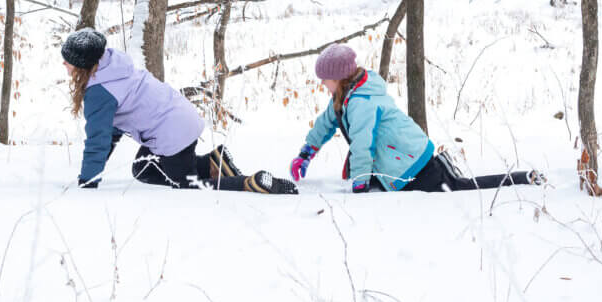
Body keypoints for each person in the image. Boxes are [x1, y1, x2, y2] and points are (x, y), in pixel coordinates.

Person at [62, 29, 297, 194]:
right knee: (144, 169)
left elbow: (97, 140)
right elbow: (111, 131)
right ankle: (216, 162)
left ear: (83, 64)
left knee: (187, 183)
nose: (64, 64)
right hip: (177, 118)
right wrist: (94, 173)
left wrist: (87, 182)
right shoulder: (113, 67)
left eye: (68, 61)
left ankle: (248, 183)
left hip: (171, 131)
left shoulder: (100, 91)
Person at [290, 44, 543, 192]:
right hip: (406, 156)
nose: (322, 83)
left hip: (411, 164)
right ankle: (521, 178)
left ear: (340, 78)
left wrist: (360, 184)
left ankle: (523, 179)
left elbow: (362, 145)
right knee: (458, 186)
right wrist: (306, 152)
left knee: (461, 190)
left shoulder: (360, 103)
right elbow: (326, 122)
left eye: (325, 79)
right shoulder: (347, 97)